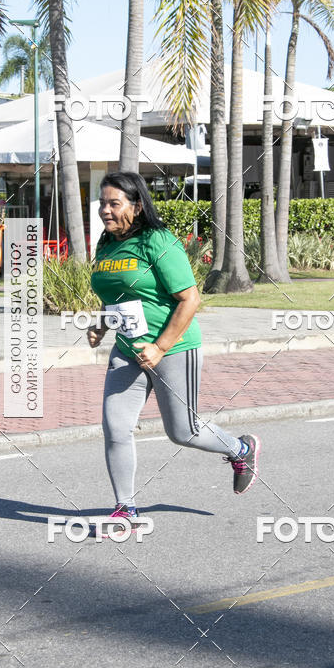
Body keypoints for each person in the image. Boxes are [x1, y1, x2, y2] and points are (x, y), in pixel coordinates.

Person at [87, 171, 261, 530]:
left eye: (113, 203)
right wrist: (102, 324)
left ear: (136, 206)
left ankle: (240, 450)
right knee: (115, 427)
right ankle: (125, 508)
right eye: (102, 203)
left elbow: (190, 298)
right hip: (127, 350)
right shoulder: (107, 244)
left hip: (175, 347)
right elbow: (117, 296)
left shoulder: (157, 240)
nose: (105, 210)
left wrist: (160, 346)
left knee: (184, 431)